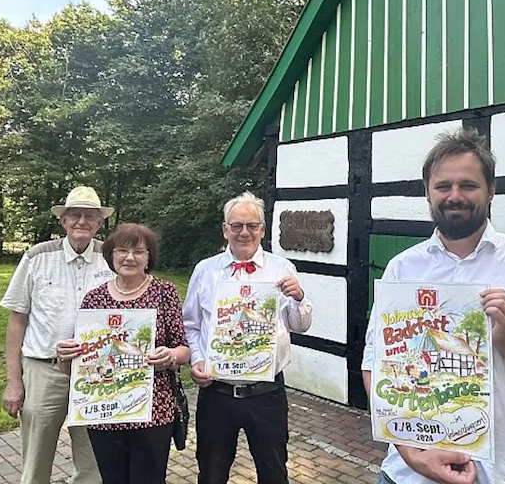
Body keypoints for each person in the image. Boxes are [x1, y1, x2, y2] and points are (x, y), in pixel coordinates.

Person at [363, 129, 505, 484]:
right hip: (408, 477)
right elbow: (374, 366)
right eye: (443, 186)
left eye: (468, 185)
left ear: (491, 191)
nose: (454, 196)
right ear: (427, 192)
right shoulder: (402, 268)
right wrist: (412, 455)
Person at [183, 191, 313, 484]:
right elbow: (190, 325)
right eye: (237, 225)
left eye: (252, 225)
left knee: (274, 472)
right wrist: (198, 359)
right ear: (225, 229)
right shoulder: (205, 271)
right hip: (217, 393)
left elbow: (299, 325)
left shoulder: (283, 269)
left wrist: (299, 298)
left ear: (263, 230)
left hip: (267, 393)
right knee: (212, 474)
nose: (245, 232)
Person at [55, 223, 191, 484]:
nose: (130, 257)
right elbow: (81, 360)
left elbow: (183, 348)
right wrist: (66, 353)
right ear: (111, 255)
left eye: (139, 251)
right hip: (104, 413)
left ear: (149, 257)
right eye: (122, 250)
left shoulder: (165, 293)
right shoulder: (94, 299)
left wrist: (171, 356)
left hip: (154, 411)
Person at [0, 186, 115, 484]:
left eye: (90, 216)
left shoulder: (112, 257)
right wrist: (14, 382)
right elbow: (17, 321)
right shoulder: (37, 257)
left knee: (93, 462)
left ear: (100, 223)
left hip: (96, 372)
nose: (82, 222)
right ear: (62, 220)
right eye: (74, 215)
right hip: (44, 370)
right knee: (36, 460)